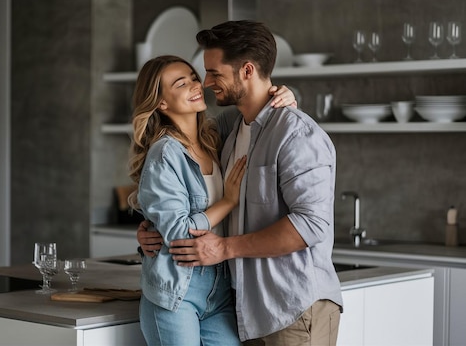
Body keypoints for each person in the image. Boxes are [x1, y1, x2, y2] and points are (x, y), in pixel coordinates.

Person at [137, 20, 342, 346]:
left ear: (247, 70)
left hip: (295, 306)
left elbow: (311, 224)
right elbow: (174, 186)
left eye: (213, 73)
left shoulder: (295, 134)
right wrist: (153, 226)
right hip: (245, 309)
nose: (205, 83)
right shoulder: (229, 130)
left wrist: (223, 248)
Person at [129, 55, 296, 346]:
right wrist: (227, 201)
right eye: (181, 84)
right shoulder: (165, 154)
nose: (196, 85)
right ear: (161, 103)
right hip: (177, 291)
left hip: (221, 288)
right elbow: (180, 235)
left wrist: (286, 94)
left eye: (194, 77)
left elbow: (257, 107)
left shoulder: (214, 137)